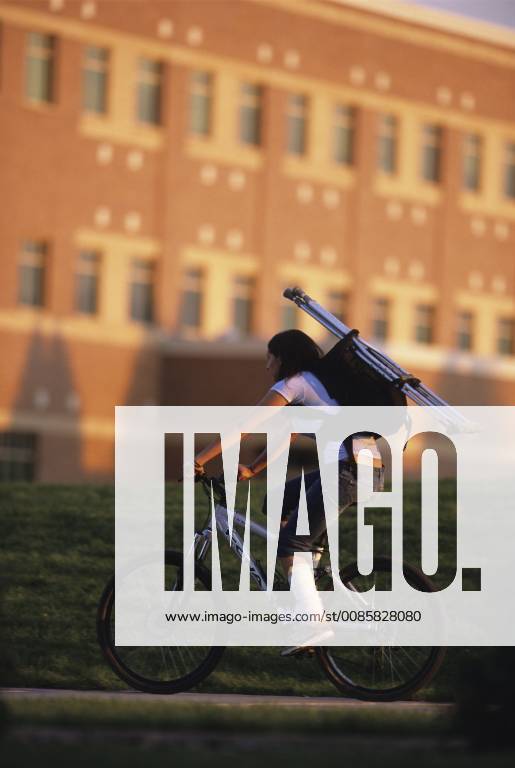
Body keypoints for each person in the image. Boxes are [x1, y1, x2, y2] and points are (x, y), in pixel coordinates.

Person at [194, 329, 385, 653]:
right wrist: (254, 469)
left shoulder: (293, 384)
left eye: (270, 356)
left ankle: (311, 623)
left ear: (282, 357)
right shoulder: (314, 384)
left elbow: (245, 425)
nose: (267, 363)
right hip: (362, 470)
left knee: (291, 543)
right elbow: (289, 434)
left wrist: (198, 459)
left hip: (348, 471)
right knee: (279, 499)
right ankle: (304, 583)